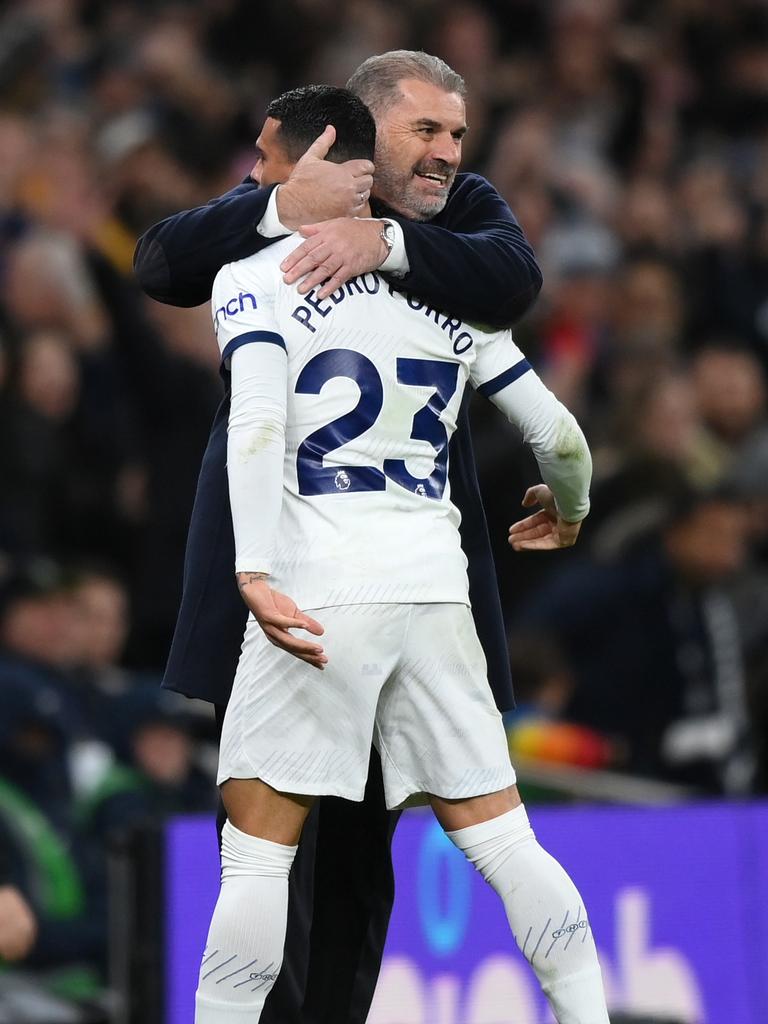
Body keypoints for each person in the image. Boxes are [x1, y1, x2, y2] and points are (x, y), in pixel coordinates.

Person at [133, 50, 542, 1024]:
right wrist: (282, 209)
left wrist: (386, 245)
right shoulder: (293, 184)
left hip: (402, 592)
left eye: (456, 134)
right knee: (267, 854)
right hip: (273, 585)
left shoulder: (466, 213)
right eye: (425, 131)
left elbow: (514, 279)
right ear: (363, 125)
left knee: (358, 869)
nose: (447, 153)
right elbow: (160, 263)